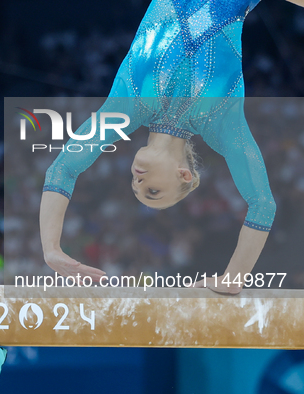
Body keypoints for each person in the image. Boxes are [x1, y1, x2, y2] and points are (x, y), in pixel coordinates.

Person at [39, 0, 303, 295]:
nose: (138, 182)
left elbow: (63, 167)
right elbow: (263, 204)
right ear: (183, 175)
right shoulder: (220, 121)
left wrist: (51, 250)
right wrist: (232, 279)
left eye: (135, 186)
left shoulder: (125, 110)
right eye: (152, 191)